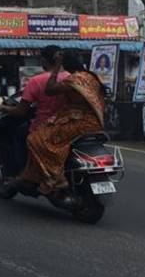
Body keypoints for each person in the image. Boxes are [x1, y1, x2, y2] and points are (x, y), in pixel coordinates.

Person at [15, 50, 106, 195]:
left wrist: (56, 68)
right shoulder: (90, 77)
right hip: (94, 122)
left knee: (35, 139)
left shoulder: (76, 79)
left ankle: (57, 177)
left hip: (81, 122)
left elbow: (49, 90)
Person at [0, 46, 69, 170]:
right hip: (68, 125)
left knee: (19, 135)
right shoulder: (72, 77)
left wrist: (2, 108)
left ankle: (24, 171)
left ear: (43, 61)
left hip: (43, 127)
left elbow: (20, 111)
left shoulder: (37, 80)